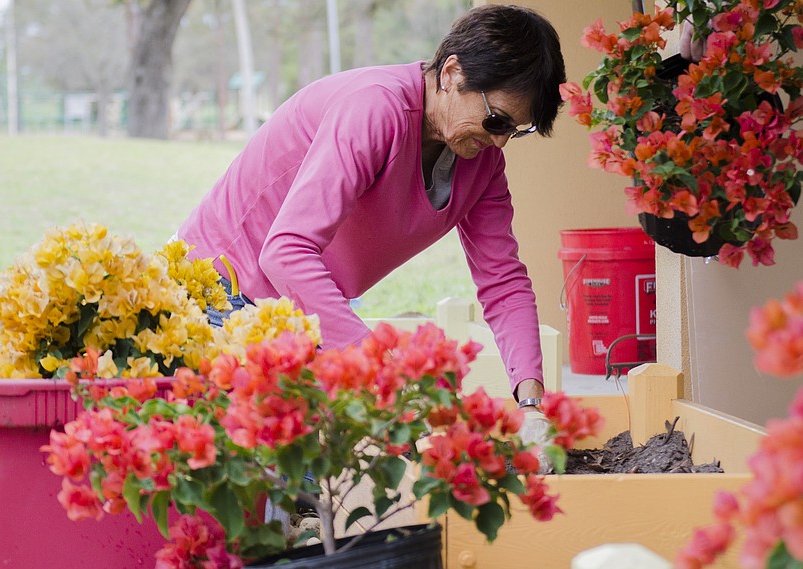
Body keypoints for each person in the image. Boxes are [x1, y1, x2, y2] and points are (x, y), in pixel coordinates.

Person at [177, 5, 565, 432]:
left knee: (327, 476)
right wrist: (382, 366)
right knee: (296, 478)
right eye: (497, 120)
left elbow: (503, 282)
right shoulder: (374, 108)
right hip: (220, 294)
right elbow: (286, 252)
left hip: (295, 309)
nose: (499, 140)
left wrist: (530, 404)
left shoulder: (483, 160)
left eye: (516, 130)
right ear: (452, 73)